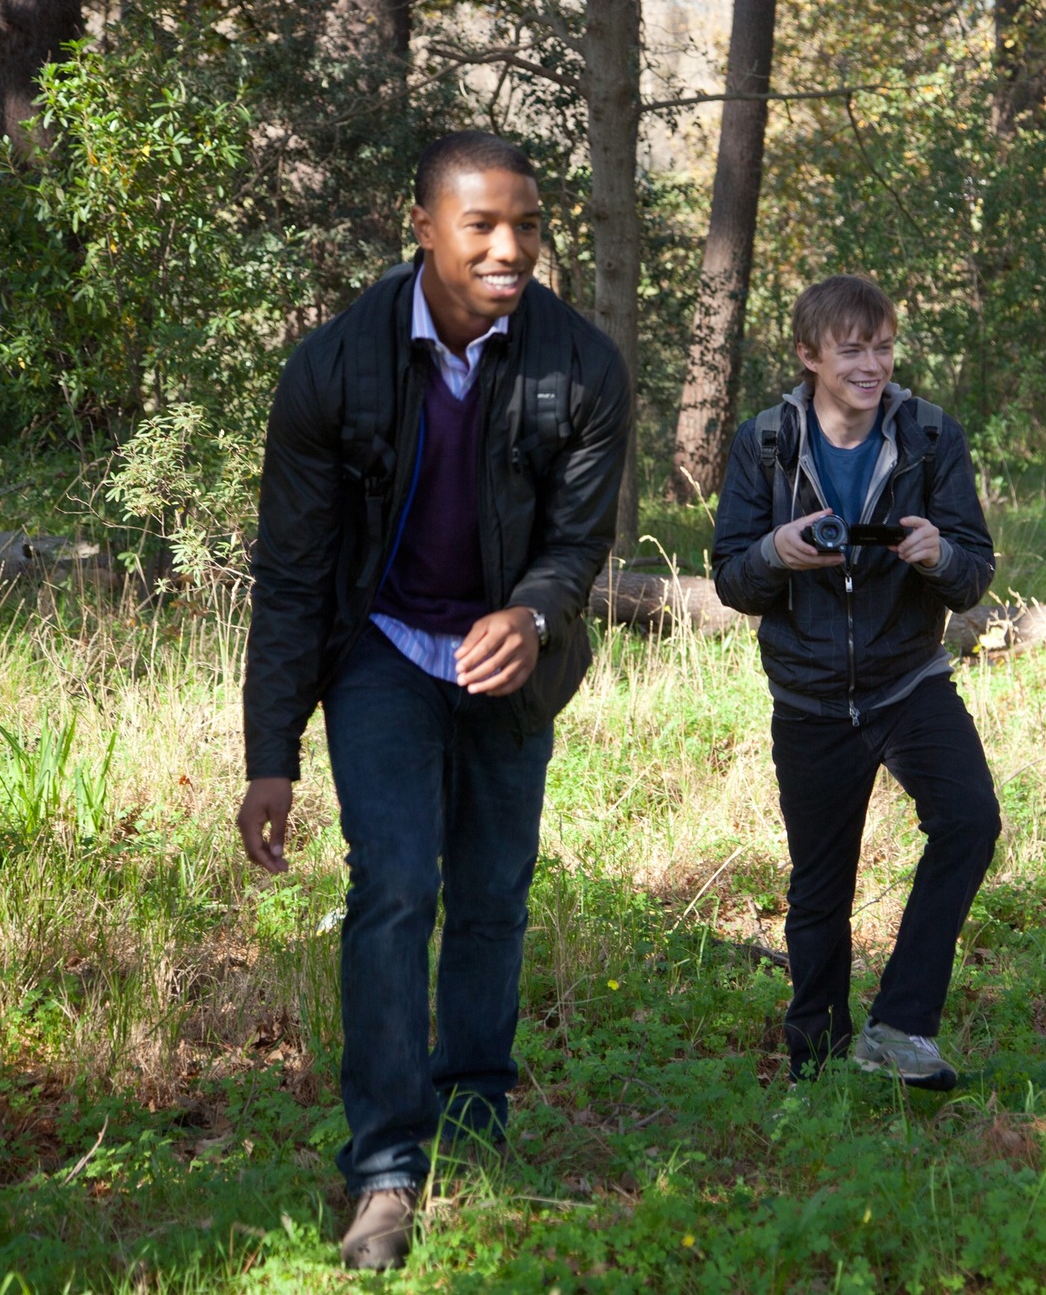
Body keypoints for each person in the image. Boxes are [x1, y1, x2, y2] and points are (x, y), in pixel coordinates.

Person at [235, 131, 630, 1270]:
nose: (512, 248)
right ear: (422, 228)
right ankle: (385, 1164)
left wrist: (537, 613)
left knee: (496, 890)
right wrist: (273, 751)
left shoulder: (582, 363)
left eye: (528, 225)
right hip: (383, 649)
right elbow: (295, 576)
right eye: (482, 226)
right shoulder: (333, 365)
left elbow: (576, 540)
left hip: (514, 655)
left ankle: (475, 1112)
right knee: (398, 884)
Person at [712, 274, 1001, 1089]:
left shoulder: (931, 437)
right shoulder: (765, 441)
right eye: (852, 350)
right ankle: (816, 1057)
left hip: (908, 681)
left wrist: (936, 554)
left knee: (971, 820)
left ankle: (902, 1026)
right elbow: (734, 578)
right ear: (809, 355)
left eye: (883, 346)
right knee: (819, 888)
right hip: (806, 696)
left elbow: (972, 570)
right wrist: (779, 552)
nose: (872, 365)